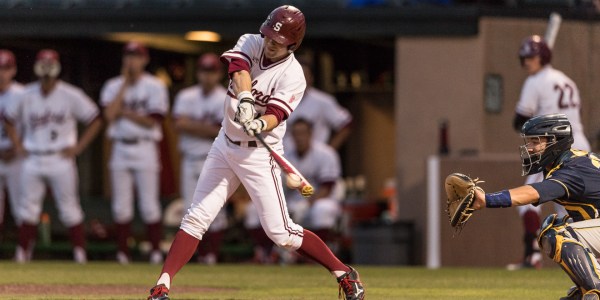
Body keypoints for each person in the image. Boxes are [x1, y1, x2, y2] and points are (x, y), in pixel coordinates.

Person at [147, 5, 365, 300]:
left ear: (294, 43)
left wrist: (260, 122)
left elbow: (277, 113)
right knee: (196, 218)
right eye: (269, 36)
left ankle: (343, 273)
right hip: (224, 146)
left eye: (279, 40)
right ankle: (162, 285)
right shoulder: (250, 40)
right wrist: (247, 100)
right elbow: (238, 70)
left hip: (260, 155)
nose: (270, 42)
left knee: (281, 233)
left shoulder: (294, 76)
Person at [472, 113, 600, 299]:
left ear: (555, 142)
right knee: (555, 225)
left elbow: (531, 193)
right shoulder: (575, 159)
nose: (529, 148)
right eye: (529, 142)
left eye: (535, 142)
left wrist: (486, 199)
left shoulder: (570, 170)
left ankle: (595, 288)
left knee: (556, 233)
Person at [3, 49, 103, 263]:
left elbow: (95, 118)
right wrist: (18, 144)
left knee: (69, 208)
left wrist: (79, 147)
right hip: (33, 156)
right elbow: (8, 119)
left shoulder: (70, 93)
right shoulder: (26, 94)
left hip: (60, 157)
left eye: (50, 64)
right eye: (43, 64)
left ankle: (80, 254)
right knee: (28, 208)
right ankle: (22, 254)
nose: (47, 70)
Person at [510, 35, 591, 270]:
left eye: (531, 57)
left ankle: (531, 256)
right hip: (581, 146)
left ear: (541, 57)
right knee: (570, 208)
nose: (526, 62)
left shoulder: (534, 82)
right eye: (524, 57)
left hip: (554, 149)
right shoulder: (567, 80)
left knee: (525, 201)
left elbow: (520, 120)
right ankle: (587, 262)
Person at [101, 41, 169, 264]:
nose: (132, 61)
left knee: (149, 204)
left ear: (145, 59)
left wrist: (125, 112)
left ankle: (156, 252)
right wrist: (123, 87)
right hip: (120, 146)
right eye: (128, 56)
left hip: (145, 147)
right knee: (121, 205)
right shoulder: (113, 85)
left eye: (136, 56)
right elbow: (109, 115)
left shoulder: (155, 85)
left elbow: (153, 121)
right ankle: (122, 252)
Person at [172, 53, 228, 265]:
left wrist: (192, 125)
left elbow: (221, 130)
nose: (207, 76)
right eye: (204, 71)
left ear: (219, 74)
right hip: (189, 157)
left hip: (214, 159)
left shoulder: (225, 96)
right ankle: (201, 255)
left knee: (216, 211)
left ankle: (211, 255)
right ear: (198, 73)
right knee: (190, 209)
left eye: (212, 71)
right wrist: (207, 128)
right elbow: (178, 125)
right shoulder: (186, 96)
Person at [283, 61, 352, 151]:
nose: (299, 80)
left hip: (315, 158)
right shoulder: (280, 99)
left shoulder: (323, 101)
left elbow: (345, 124)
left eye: (303, 76)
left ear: (311, 78)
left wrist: (329, 151)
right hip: (287, 158)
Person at [0, 50, 24, 237]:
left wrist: (18, 146)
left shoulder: (23, 94)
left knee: (21, 208)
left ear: (13, 70)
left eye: (6, 68)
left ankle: (24, 253)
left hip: (18, 156)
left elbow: (32, 126)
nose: (2, 73)